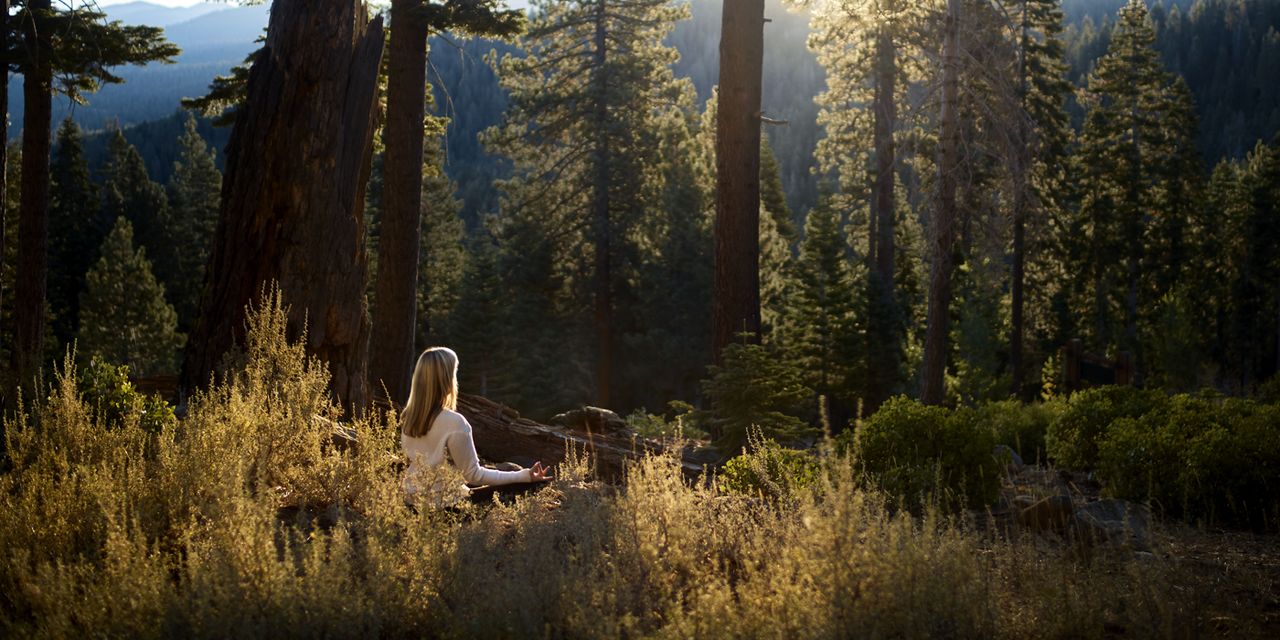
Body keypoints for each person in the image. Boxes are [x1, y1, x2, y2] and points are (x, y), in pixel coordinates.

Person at [400, 346, 551, 507]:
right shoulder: (455, 422)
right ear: (446, 379)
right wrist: (525, 476)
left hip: (411, 502)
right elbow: (473, 475)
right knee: (531, 484)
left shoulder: (409, 417)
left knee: (508, 468)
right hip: (445, 508)